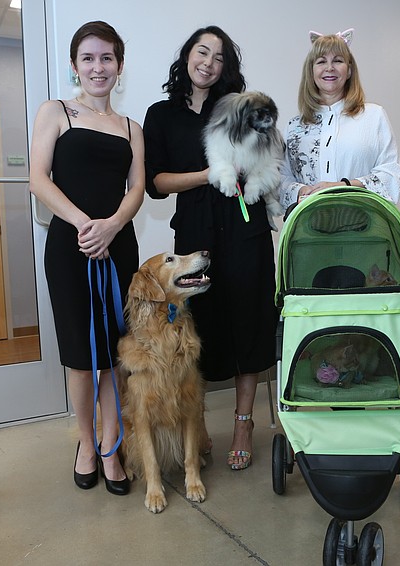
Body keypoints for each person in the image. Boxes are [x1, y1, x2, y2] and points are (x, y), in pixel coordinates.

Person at [143, 26, 277, 471]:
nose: (209, 62)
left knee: (249, 321)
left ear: (227, 67)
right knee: (198, 330)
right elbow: (156, 183)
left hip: (245, 228)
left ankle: (243, 422)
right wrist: (207, 174)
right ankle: (195, 425)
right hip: (196, 233)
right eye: (203, 52)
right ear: (187, 56)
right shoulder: (161, 115)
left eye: (219, 57)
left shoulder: (238, 108)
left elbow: (266, 158)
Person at [29, 21, 144, 494]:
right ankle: (84, 443)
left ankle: (112, 448)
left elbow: (137, 189)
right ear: (75, 65)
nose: (99, 67)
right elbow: (38, 179)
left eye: (108, 58)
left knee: (117, 353)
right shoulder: (55, 112)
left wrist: (113, 225)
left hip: (118, 246)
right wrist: (85, 224)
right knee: (81, 357)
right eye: (89, 58)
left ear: (119, 66)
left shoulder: (131, 128)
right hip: (71, 245)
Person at [279, 29, 400, 209]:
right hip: (308, 226)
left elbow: (391, 173)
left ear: (349, 71)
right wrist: (303, 191)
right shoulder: (294, 126)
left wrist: (343, 186)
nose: (329, 68)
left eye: (337, 61)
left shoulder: (374, 116)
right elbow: (281, 179)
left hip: (362, 224)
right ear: (311, 71)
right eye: (321, 61)